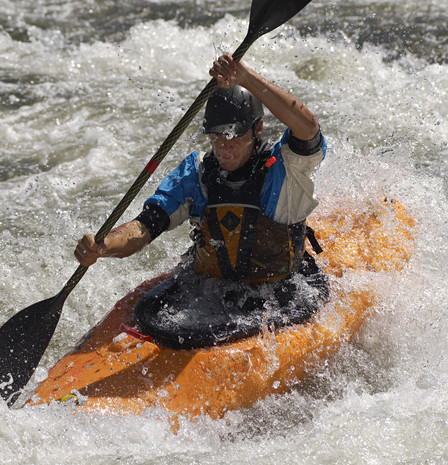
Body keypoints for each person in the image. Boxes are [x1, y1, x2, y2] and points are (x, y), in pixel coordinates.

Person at [74, 52, 328, 349]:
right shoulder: (197, 173)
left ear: (258, 129)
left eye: (234, 135)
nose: (225, 146)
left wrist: (246, 78)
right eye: (217, 136)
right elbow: (144, 228)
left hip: (277, 292)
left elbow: (308, 128)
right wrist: (104, 246)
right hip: (209, 291)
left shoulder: (286, 170)